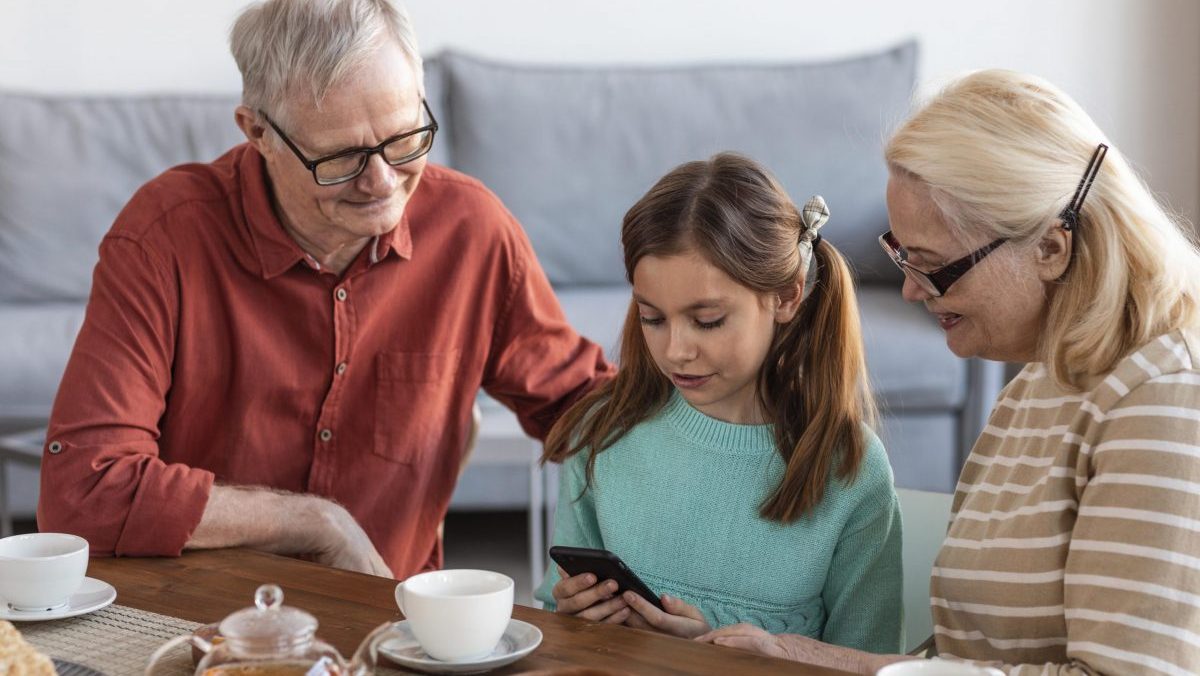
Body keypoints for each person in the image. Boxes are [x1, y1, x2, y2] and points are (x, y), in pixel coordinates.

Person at [37, 0, 611, 580]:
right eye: (341, 158)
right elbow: (84, 491)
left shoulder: (472, 230)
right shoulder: (165, 236)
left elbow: (584, 410)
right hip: (203, 622)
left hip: (389, 624)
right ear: (257, 131)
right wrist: (312, 522)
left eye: (406, 137)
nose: (383, 182)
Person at [698, 70, 1200, 674]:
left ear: (1050, 248)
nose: (910, 289)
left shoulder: (1162, 399)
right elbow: (968, 661)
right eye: (901, 254)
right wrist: (785, 653)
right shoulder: (1046, 382)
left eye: (933, 265)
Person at [534, 153, 904, 654]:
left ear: (787, 297)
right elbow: (549, 623)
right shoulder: (604, 434)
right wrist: (571, 616)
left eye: (707, 321)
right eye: (652, 318)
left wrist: (715, 656)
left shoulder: (849, 469)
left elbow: (870, 662)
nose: (675, 350)